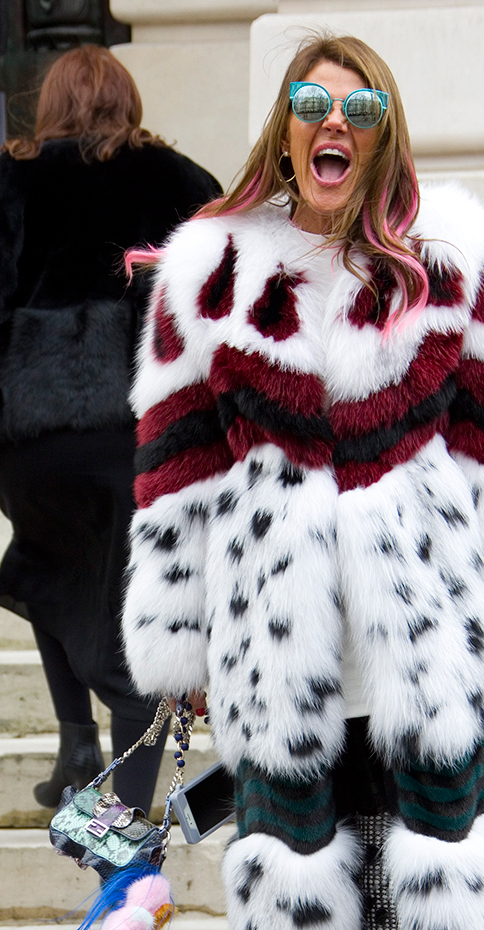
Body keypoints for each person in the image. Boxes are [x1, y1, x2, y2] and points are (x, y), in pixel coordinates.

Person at [122, 32, 484, 930]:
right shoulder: (208, 272)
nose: (335, 125)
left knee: (447, 922)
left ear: (383, 134)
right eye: (313, 108)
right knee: (304, 924)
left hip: (432, 656)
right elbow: (174, 471)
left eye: (359, 111)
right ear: (283, 136)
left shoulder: (454, 256)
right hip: (279, 671)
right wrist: (181, 651)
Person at [0, 45, 221, 816]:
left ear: (50, 104)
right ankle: (121, 820)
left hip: (32, 443)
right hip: (140, 438)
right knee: (136, 628)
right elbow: (220, 314)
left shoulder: (13, 178)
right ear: (127, 102)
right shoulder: (185, 183)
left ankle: (79, 747)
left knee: (47, 565)